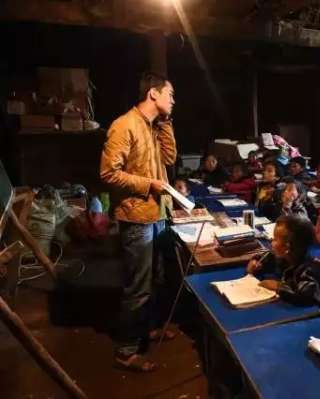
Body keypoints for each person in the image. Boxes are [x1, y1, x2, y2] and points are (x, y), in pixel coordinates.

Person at [100, 72, 176, 372]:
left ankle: (149, 329)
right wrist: (148, 185)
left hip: (157, 213)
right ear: (153, 94)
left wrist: (166, 123)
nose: (173, 100)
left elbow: (170, 159)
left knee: (156, 277)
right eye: (170, 94)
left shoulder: (153, 126)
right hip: (137, 216)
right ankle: (127, 349)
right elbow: (108, 173)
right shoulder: (124, 125)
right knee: (138, 286)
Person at [246, 216, 320, 305]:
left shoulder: (306, 268)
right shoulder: (282, 256)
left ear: (287, 247)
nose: (271, 242)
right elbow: (264, 258)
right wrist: (255, 262)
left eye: (275, 239)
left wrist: (279, 287)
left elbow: (305, 296)